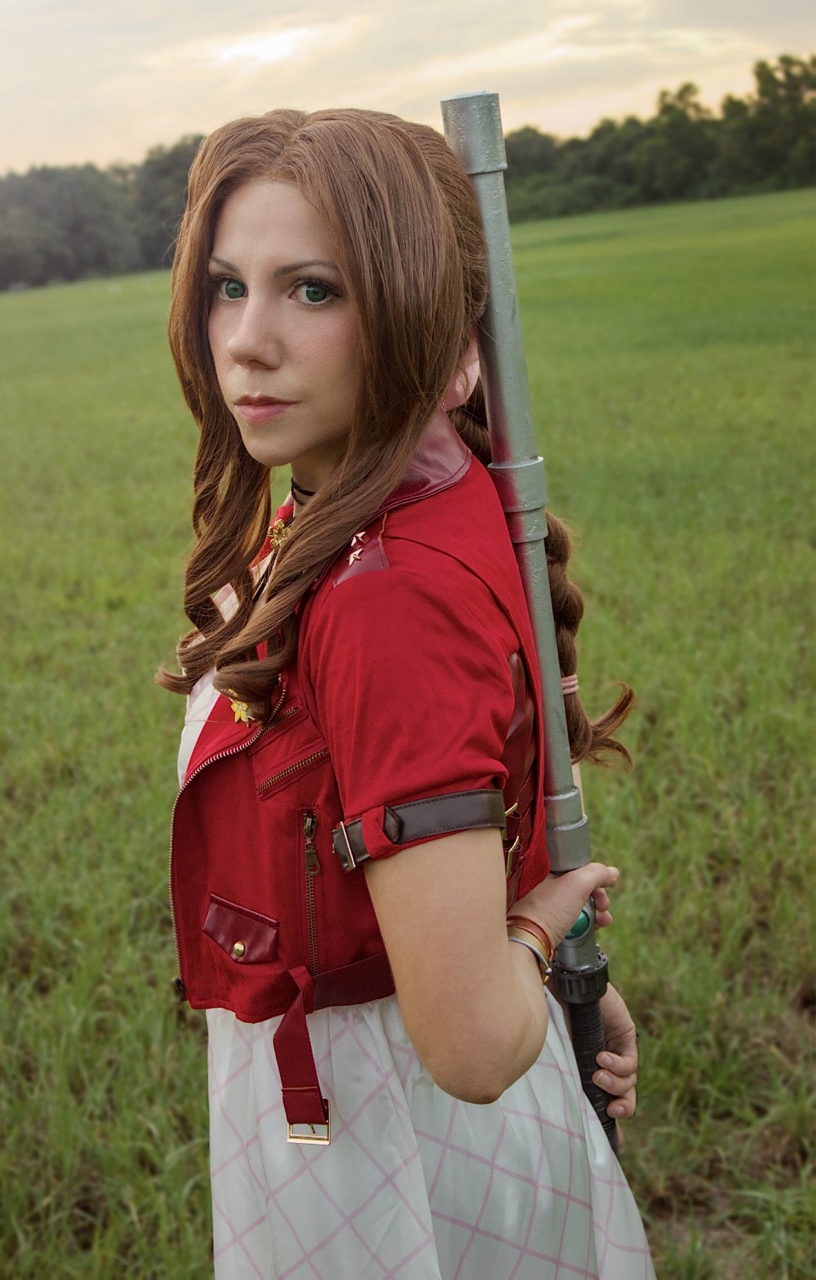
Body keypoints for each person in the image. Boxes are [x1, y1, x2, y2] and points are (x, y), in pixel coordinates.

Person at [159, 107, 655, 1280]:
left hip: (391, 1145)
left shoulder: (387, 593)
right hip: (366, 1099)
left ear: (443, 328)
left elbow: (474, 1043)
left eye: (313, 290)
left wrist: (533, 937)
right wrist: (556, 960)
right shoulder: (386, 503)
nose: (247, 341)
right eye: (228, 286)